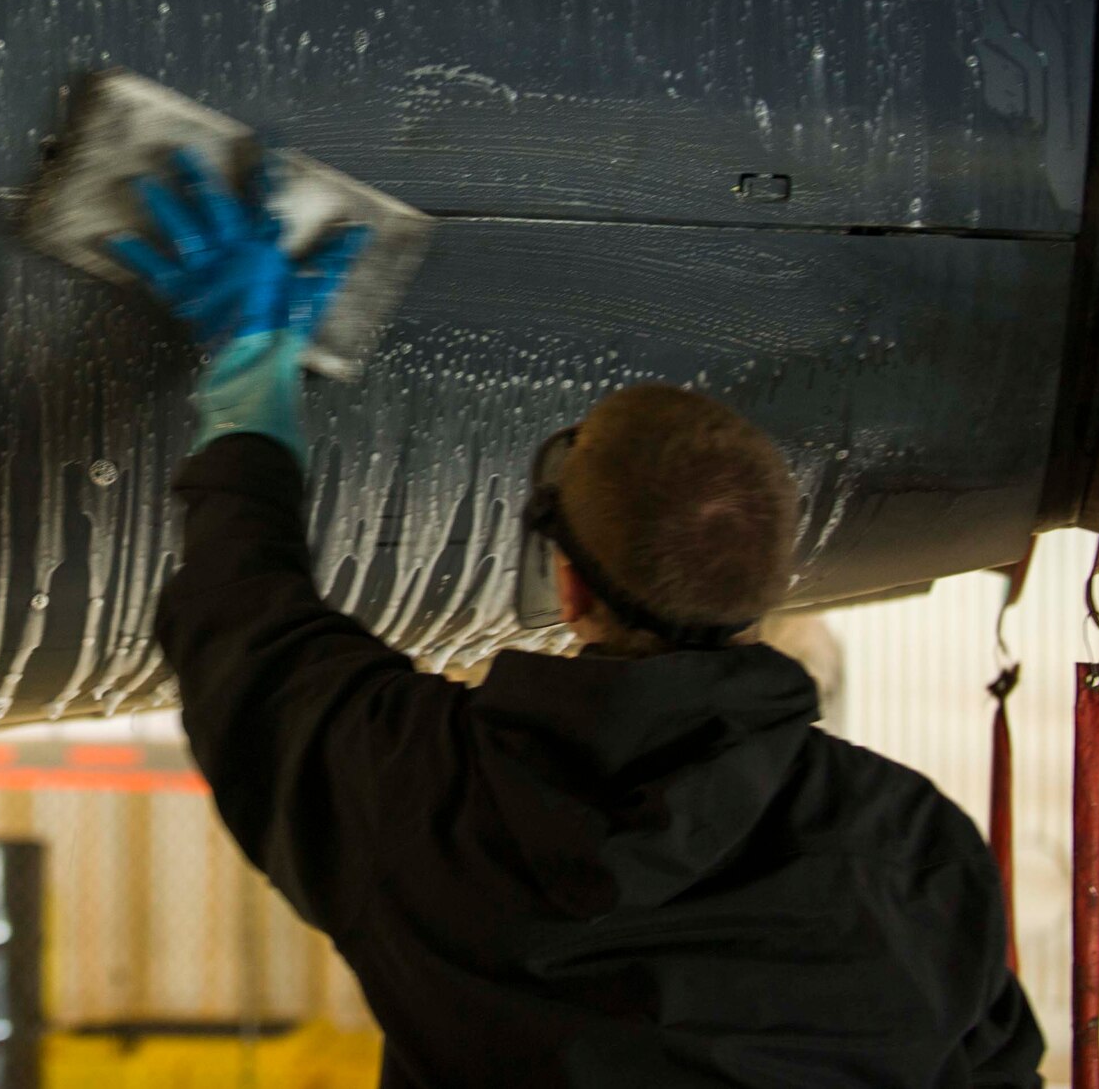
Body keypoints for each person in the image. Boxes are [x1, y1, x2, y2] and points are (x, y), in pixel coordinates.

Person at [106, 149, 1044, 1088]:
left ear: (570, 588)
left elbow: (242, 623)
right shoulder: (911, 848)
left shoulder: (433, 801)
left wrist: (254, 370)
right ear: (775, 580)